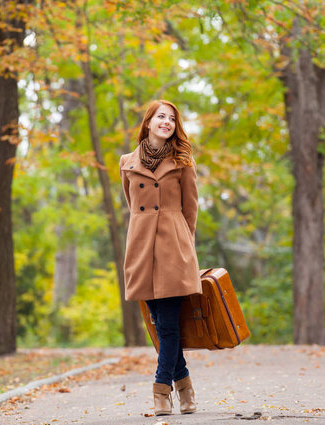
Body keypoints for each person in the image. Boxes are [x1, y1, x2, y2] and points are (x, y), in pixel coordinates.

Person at [119, 99, 201, 416]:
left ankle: (161, 391)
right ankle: (186, 388)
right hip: (140, 248)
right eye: (160, 117)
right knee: (159, 324)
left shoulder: (183, 162)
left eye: (171, 119)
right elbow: (132, 204)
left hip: (173, 248)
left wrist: (185, 244)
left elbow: (191, 209)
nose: (166, 122)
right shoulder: (126, 162)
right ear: (149, 122)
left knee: (167, 327)